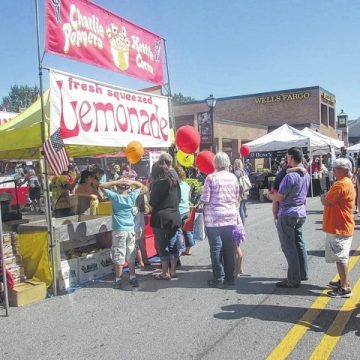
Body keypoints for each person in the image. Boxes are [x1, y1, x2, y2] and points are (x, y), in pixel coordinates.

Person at [269, 147, 310, 288]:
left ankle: (293, 279)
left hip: (288, 213)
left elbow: (280, 196)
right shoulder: (306, 174)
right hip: (300, 212)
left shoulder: (290, 176)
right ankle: (302, 273)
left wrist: (271, 196)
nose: (287, 160)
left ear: (292, 158)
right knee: (299, 243)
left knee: (289, 247)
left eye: (287, 157)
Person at [200, 152, 239, 288]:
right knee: (229, 248)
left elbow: (205, 198)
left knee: (216, 248)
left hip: (214, 218)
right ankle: (230, 277)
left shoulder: (211, 178)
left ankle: (219, 278)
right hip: (230, 216)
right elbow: (236, 196)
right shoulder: (233, 178)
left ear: (215, 163)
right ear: (227, 163)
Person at [99, 177, 144, 289]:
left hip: (119, 229)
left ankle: (118, 279)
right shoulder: (132, 196)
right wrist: (131, 182)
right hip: (130, 229)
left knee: (119, 254)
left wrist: (116, 181)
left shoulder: (115, 197)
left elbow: (101, 186)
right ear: (128, 188)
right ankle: (132, 277)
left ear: (117, 187)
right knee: (130, 254)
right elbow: (141, 186)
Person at [320, 158, 355, 298]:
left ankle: (345, 287)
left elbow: (327, 201)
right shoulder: (346, 183)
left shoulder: (340, 184)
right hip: (341, 224)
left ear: (345, 170)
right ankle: (343, 281)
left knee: (341, 258)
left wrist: (322, 196)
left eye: (336, 168)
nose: (333, 170)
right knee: (340, 256)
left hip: (339, 226)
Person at [149, 161, 181, 280]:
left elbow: (152, 202)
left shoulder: (157, 184)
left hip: (161, 218)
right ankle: (173, 271)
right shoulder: (174, 182)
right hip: (174, 216)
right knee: (172, 244)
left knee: (162, 246)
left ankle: (164, 273)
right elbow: (179, 198)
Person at [174, 165, 195, 256]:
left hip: (178, 211)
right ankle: (188, 250)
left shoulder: (175, 186)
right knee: (187, 230)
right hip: (186, 210)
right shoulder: (186, 185)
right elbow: (189, 198)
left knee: (178, 231)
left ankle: (178, 250)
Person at [134, 191, 151, 268]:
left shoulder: (134, 209)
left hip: (135, 229)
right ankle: (146, 260)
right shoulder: (142, 209)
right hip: (142, 228)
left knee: (136, 246)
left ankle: (140, 262)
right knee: (142, 245)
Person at [233, 158, 249, 224]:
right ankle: (243, 222)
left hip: (240, 192)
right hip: (245, 191)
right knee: (243, 207)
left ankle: (241, 223)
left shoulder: (237, 172)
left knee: (240, 209)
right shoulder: (244, 171)